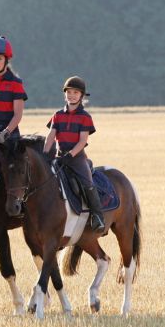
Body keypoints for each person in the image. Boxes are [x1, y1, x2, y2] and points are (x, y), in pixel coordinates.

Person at [43, 76, 105, 232]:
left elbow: (83, 140)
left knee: (87, 183)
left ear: (81, 96)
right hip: (59, 156)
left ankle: (98, 217)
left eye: (75, 92)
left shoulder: (85, 117)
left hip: (76, 158)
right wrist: (44, 153)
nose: (71, 95)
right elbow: (51, 136)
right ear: (65, 94)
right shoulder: (57, 115)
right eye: (69, 92)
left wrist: (70, 155)